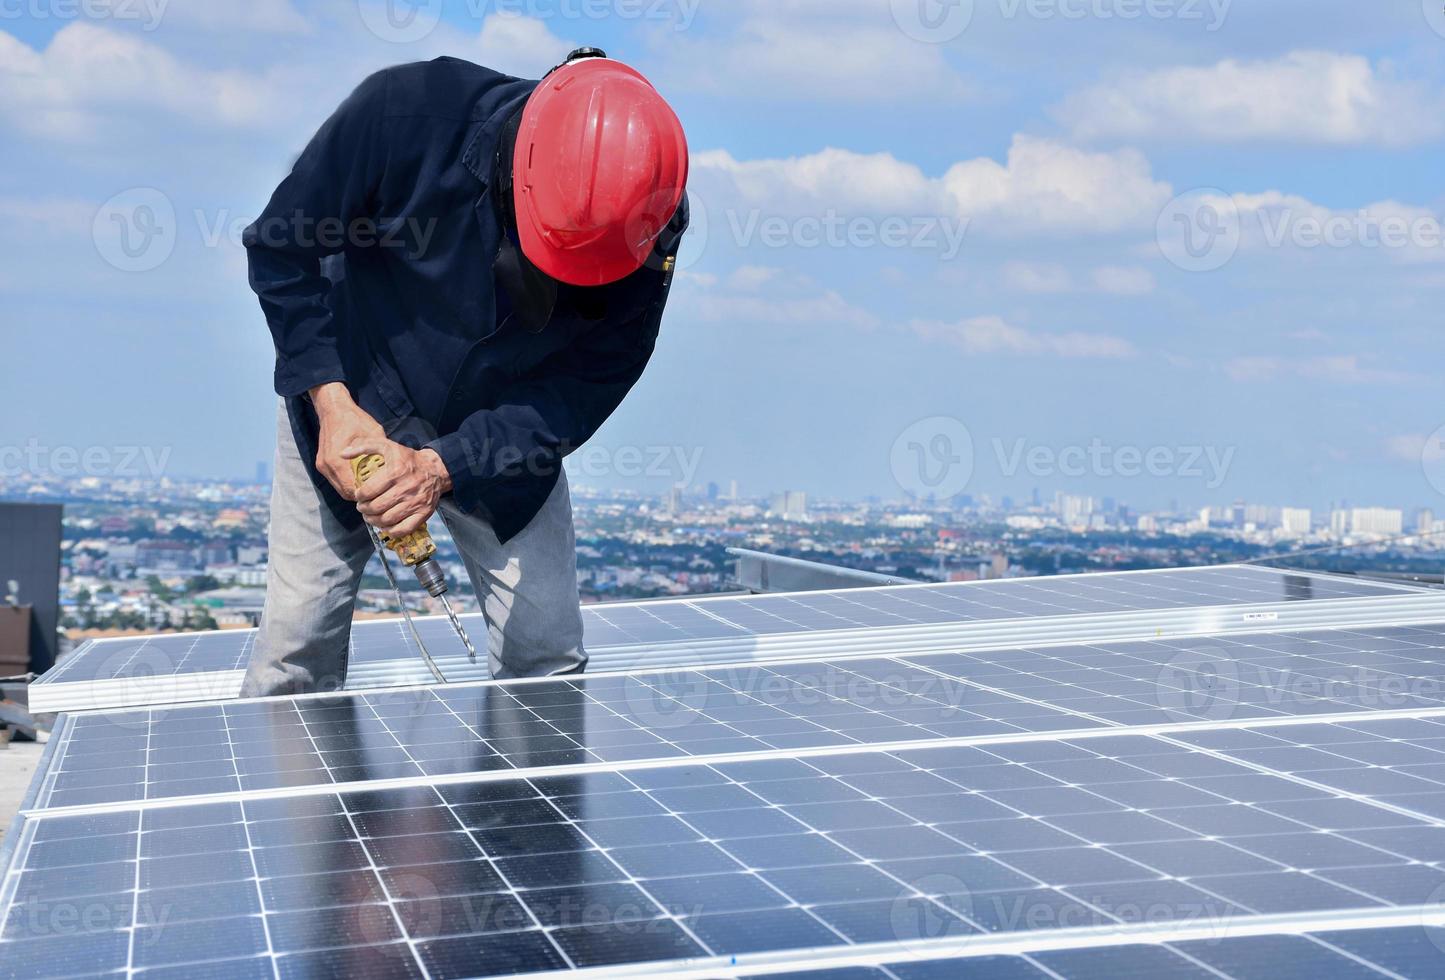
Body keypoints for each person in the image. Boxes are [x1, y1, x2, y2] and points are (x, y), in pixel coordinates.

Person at [238, 49, 689, 697]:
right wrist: (334, 409)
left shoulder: (648, 218)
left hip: (501, 442)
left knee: (547, 659)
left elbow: (588, 382)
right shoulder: (402, 112)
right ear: (522, 168)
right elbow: (281, 248)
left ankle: (526, 802)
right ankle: (292, 800)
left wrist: (442, 466)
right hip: (352, 397)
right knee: (296, 644)